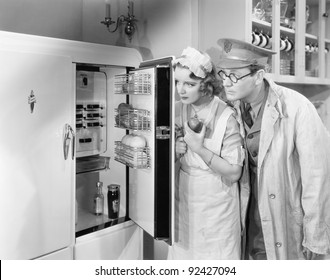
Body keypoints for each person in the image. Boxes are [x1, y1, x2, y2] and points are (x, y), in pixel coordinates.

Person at [217, 38, 330, 260]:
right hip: (247, 222)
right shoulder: (232, 108)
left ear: (258, 76)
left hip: (284, 220)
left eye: (234, 76)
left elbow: (317, 177)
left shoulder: (298, 108)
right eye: (223, 74)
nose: (226, 83)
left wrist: (316, 237)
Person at [167, 47, 245, 259]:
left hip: (217, 204)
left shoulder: (226, 117)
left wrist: (199, 149)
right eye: (177, 82)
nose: (180, 90)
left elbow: (234, 173)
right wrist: (174, 152)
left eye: (189, 84)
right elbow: (162, 158)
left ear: (206, 86)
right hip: (184, 199)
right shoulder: (176, 109)